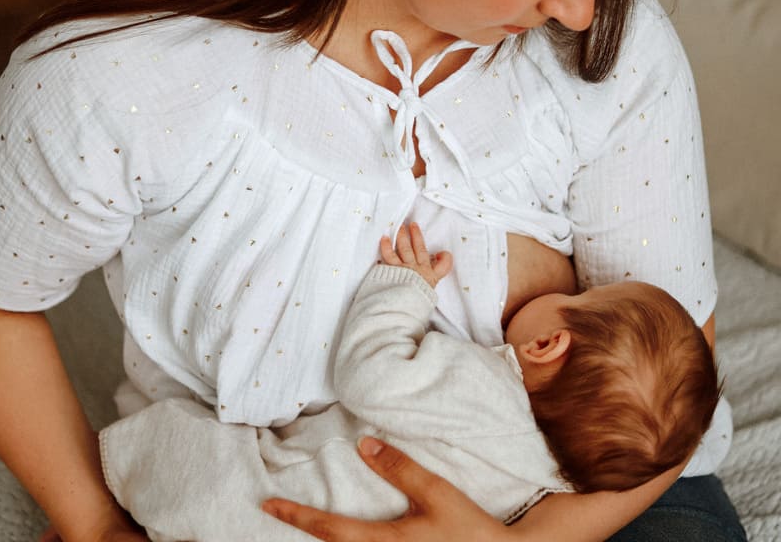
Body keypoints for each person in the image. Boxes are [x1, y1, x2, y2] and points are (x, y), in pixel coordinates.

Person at [0, 0, 746, 540]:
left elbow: (673, 351)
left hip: (578, 496)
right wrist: (93, 522)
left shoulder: (611, 44)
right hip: (280, 488)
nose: (585, 12)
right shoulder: (128, 77)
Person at [98, 224, 720, 542]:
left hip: (264, 508)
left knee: (177, 454)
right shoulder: (552, 478)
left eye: (576, 296)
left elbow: (369, 376)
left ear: (546, 344)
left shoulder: (484, 387)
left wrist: (403, 292)